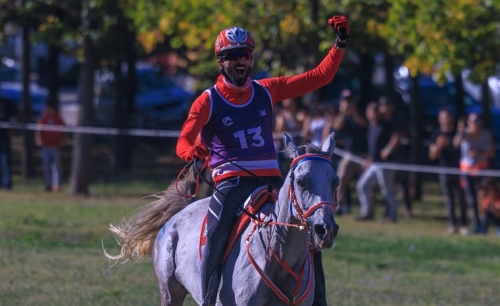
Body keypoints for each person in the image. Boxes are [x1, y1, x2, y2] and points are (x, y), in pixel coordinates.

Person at [175, 16, 349, 306]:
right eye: (232, 56)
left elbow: (320, 76)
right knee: (216, 233)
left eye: (245, 54)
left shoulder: (267, 89)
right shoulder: (208, 100)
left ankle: (318, 300)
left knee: (309, 232)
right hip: (230, 183)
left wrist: (340, 44)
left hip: (271, 180)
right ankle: (209, 299)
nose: (240, 61)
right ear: (221, 62)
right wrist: (191, 152)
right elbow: (184, 140)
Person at [355, 99, 403, 223]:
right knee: (362, 186)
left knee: (387, 191)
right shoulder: (371, 127)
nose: (373, 114)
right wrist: (369, 160)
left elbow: (397, 136)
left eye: (375, 111)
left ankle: (392, 216)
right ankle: (367, 213)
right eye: (371, 112)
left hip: (386, 164)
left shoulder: (386, 125)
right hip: (374, 164)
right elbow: (374, 148)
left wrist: (388, 150)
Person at [453, 112, 495, 233]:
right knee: (470, 198)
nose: (475, 124)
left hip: (482, 168)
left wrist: (479, 152)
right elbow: (455, 144)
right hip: (467, 169)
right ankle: (475, 224)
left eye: (477, 121)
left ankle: (484, 223)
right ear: (468, 122)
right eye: (472, 121)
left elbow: (491, 153)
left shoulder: (486, 135)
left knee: (483, 196)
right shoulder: (464, 134)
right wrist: (460, 131)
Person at [428, 109, 468, 235]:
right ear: (439, 120)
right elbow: (432, 155)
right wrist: (440, 146)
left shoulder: (458, 133)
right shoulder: (436, 134)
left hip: (460, 170)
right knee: (449, 199)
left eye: (449, 117)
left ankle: (463, 225)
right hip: (444, 170)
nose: (447, 120)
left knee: (462, 198)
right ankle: (452, 225)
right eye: (444, 117)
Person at [331, 90, 367, 214]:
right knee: (340, 181)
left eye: (350, 101)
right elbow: (336, 127)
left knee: (364, 183)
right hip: (348, 154)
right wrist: (343, 113)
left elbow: (363, 124)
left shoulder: (360, 113)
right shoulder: (341, 116)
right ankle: (338, 206)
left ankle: (366, 210)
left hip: (363, 154)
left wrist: (353, 112)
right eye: (346, 101)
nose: (348, 104)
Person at [35, 102, 66, 192]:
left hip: (55, 146)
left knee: (56, 166)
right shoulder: (45, 116)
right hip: (46, 145)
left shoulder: (58, 117)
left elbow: (64, 130)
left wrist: (62, 141)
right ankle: (48, 184)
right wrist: (39, 139)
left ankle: (57, 184)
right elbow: (39, 127)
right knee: (46, 165)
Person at [0, 97, 18, 190]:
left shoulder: (8, 103)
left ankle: (7, 184)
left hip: (4, 137)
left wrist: (13, 129)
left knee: (5, 160)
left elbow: (17, 115)